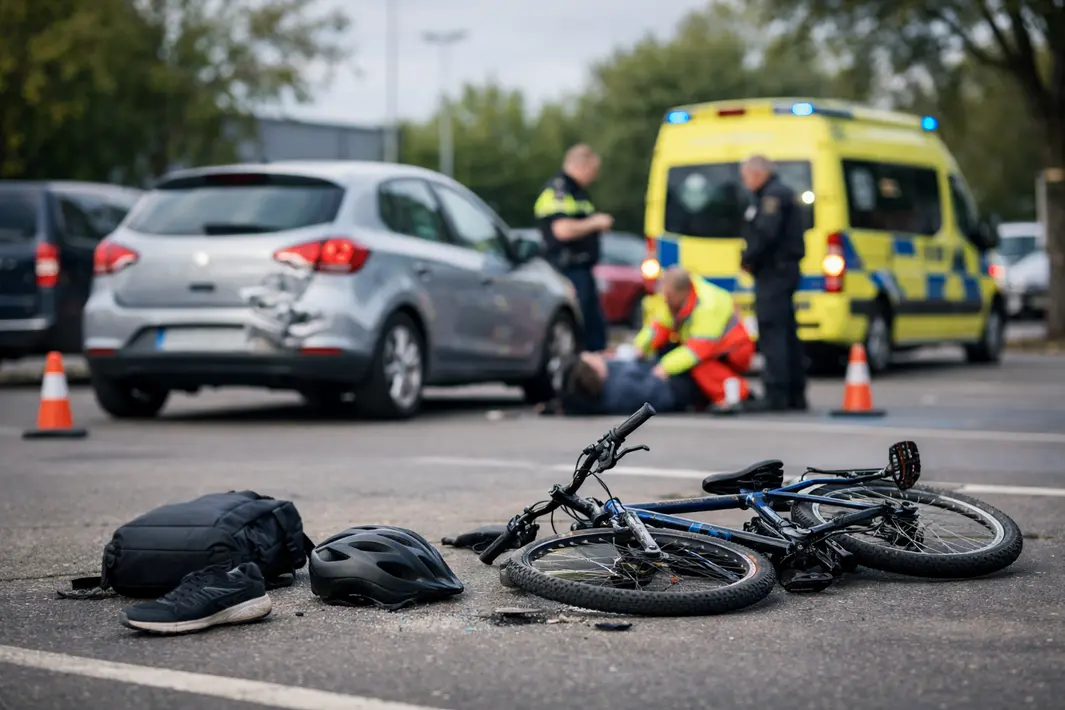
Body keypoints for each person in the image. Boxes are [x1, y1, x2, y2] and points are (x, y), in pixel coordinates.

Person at [632, 267, 755, 412]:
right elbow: (659, 327)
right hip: (711, 349)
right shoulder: (676, 297)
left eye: (669, 296)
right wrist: (639, 347)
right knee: (671, 353)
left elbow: (696, 351)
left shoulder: (708, 305)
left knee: (698, 366)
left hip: (734, 352)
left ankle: (737, 395)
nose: (666, 300)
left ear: (682, 292)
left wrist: (663, 368)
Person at [739, 155, 808, 411]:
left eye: (746, 176)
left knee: (773, 334)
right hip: (782, 273)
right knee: (787, 333)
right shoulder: (778, 193)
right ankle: (794, 394)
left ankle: (777, 394)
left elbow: (766, 234)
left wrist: (747, 258)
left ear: (758, 173)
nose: (745, 182)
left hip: (773, 274)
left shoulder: (772, 197)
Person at [534, 144, 612, 352]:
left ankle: (593, 374)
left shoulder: (577, 192)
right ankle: (578, 376)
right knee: (578, 330)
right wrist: (595, 222)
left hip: (581, 270)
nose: (594, 177)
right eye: (593, 171)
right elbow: (562, 230)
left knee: (594, 331)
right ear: (581, 165)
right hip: (567, 270)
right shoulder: (559, 190)